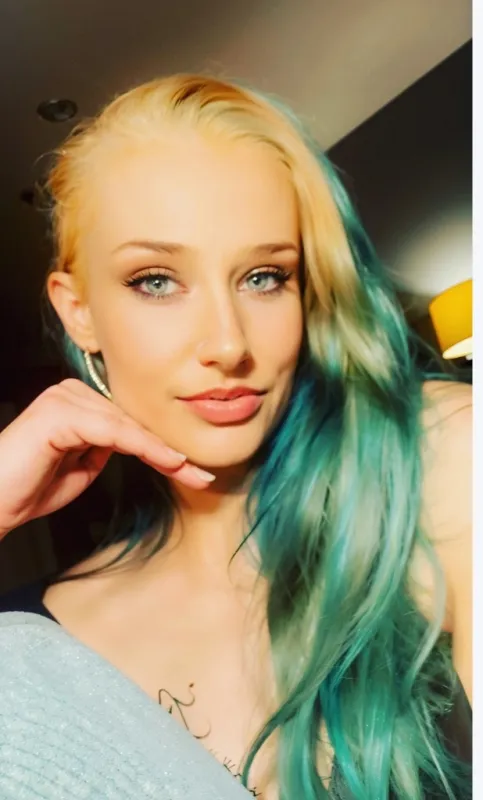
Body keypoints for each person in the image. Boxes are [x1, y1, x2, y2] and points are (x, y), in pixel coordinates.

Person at [0, 74, 472, 799]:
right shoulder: (28, 646)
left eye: (263, 277)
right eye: (156, 281)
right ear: (79, 312)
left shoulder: (436, 465)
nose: (227, 343)